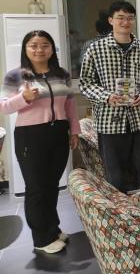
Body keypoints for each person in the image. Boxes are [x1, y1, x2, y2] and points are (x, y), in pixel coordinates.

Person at [0, 30, 81, 254]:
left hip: (58, 133)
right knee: (37, 187)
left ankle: (52, 229)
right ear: (26, 49)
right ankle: (41, 238)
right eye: (33, 45)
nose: (39, 49)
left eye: (45, 45)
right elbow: (3, 106)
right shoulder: (16, 76)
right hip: (30, 136)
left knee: (52, 185)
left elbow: (70, 105)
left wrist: (74, 130)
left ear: (51, 49)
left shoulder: (61, 74)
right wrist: (23, 99)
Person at [80, 1, 140, 193]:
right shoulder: (95, 49)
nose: (126, 22)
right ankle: (124, 220)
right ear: (111, 20)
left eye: (130, 18)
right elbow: (85, 84)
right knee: (116, 177)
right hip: (109, 123)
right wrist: (107, 96)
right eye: (120, 18)